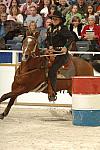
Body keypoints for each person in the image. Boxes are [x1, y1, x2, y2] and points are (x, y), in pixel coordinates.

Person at [45, 10, 75, 101]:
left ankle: (53, 92)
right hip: (51, 52)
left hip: (61, 53)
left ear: (60, 20)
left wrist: (65, 47)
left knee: (52, 70)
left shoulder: (63, 28)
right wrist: (49, 46)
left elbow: (71, 38)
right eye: (53, 19)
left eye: (56, 19)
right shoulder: (50, 28)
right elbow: (47, 40)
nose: (54, 20)